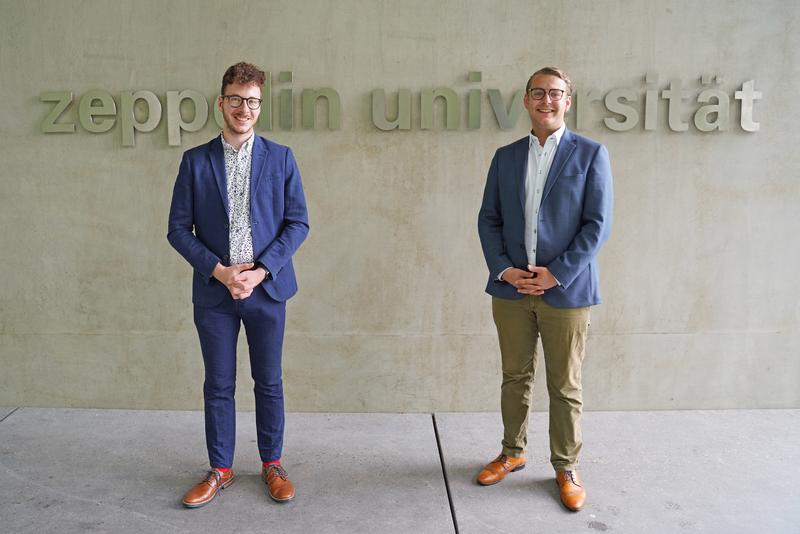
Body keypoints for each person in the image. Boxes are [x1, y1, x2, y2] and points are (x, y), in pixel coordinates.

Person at [167, 61, 309, 507]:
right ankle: (220, 469)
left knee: (268, 382)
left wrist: (261, 270)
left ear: (260, 105)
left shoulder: (281, 157)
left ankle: (272, 464)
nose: (243, 108)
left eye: (252, 101)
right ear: (221, 102)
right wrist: (221, 272)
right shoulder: (195, 161)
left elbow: (298, 223)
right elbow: (177, 229)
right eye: (235, 99)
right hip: (215, 291)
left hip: (267, 288)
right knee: (218, 384)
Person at [476, 66, 613, 511]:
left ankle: (566, 466)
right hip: (512, 290)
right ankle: (512, 453)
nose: (546, 100)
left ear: (568, 101)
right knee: (514, 376)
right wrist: (504, 270)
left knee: (565, 385)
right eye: (538, 93)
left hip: (566, 291)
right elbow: (489, 219)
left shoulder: (591, 154)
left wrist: (557, 274)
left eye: (555, 93)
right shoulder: (506, 156)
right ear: (526, 100)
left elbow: (597, 226)